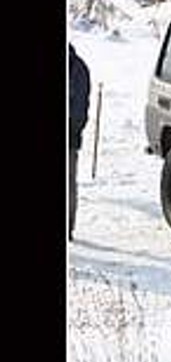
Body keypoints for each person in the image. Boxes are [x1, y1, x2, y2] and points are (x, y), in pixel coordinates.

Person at [69, 43, 90, 241]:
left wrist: (73, 131)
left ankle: (68, 227)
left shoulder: (77, 69)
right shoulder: (79, 67)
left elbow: (80, 109)